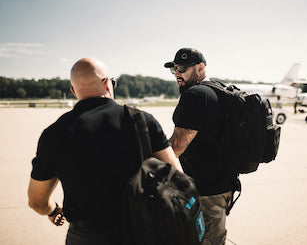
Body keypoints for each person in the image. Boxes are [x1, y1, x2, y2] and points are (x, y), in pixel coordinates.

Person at [28, 58, 182, 245]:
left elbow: (37, 201)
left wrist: (53, 211)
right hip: (142, 230)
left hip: (87, 235)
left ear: (74, 91)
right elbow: (177, 177)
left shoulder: (54, 134)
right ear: (107, 83)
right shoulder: (141, 121)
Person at [164, 48, 238, 245]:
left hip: (207, 190)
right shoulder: (217, 90)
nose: (177, 73)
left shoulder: (195, 95)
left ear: (200, 67)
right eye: (174, 69)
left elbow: (177, 146)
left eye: (182, 68)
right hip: (222, 185)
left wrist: (146, 171)